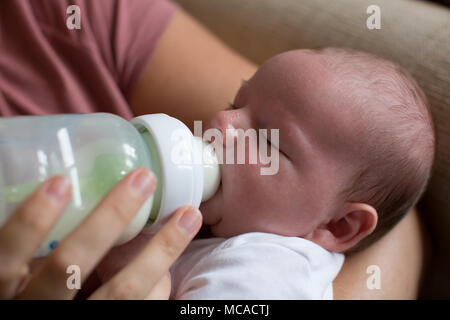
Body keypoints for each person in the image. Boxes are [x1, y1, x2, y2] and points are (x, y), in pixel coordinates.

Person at [0, 0, 426, 299]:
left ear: (338, 226)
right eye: (236, 104)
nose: (221, 122)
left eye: (267, 138)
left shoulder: (262, 270)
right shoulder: (239, 225)